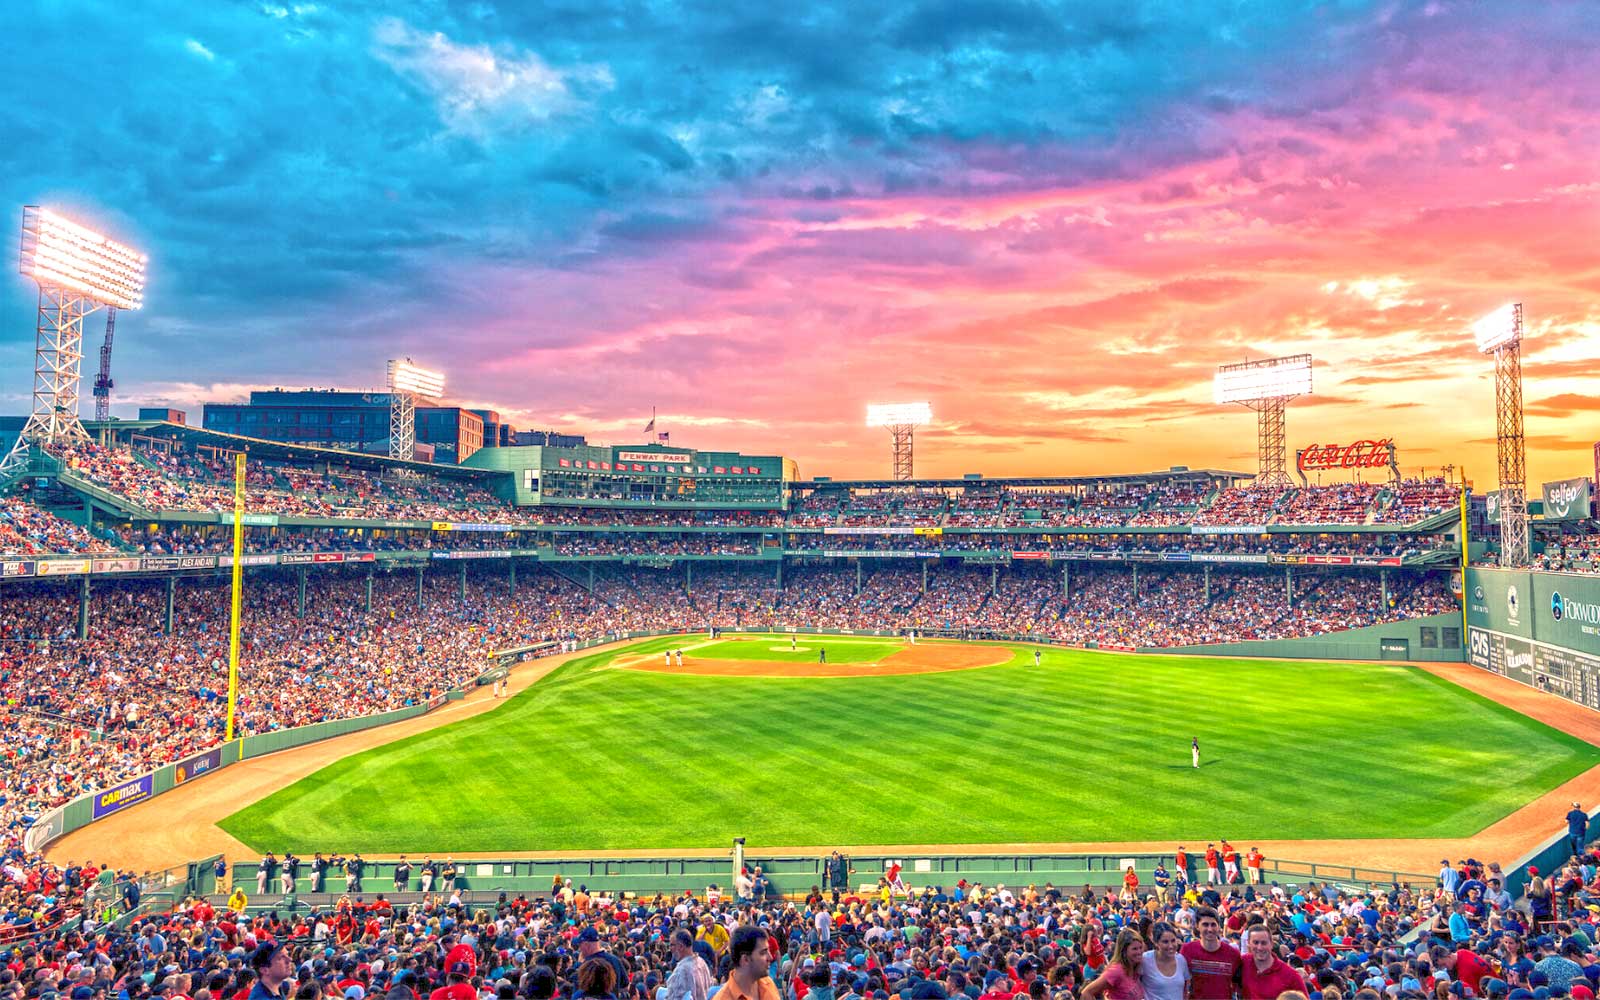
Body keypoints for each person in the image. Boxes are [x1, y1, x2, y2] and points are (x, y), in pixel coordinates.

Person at [1180, 907, 1241, 1000]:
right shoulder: (1187, 950)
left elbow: (1238, 986)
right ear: (1197, 926)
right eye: (1205, 924)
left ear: (1218, 926)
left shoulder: (1233, 954)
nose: (1210, 929)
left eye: (1213, 924)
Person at [1080, 928, 1146, 1000]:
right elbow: (1087, 992)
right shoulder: (1116, 971)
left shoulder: (1136, 967)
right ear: (1124, 950)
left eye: (1140, 947)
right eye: (1135, 949)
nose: (1139, 952)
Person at [716, 926, 780, 1000]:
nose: (770, 957)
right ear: (745, 959)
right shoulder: (723, 997)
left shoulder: (768, 983)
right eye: (763, 952)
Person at [1239, 925, 1302, 999]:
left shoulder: (1290, 975)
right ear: (1248, 943)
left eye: (1264, 943)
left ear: (1271, 944)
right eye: (1255, 943)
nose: (1260, 948)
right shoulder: (1240, 964)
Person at [1139, 924, 1190, 1000]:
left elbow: (1185, 990)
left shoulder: (1181, 960)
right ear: (1156, 943)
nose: (1171, 946)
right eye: (1165, 942)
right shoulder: (1145, 959)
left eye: (1173, 941)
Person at [663, 928, 712, 1000]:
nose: (670, 948)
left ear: (681, 946)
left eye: (672, 945)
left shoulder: (681, 971)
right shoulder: (701, 962)